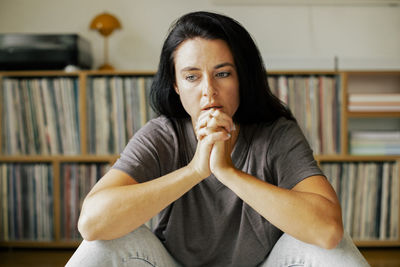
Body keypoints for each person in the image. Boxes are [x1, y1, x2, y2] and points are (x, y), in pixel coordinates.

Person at [67, 11, 369, 267]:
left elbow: (329, 230)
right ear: (175, 84)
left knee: (330, 245)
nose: (208, 91)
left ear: (242, 78)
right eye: (191, 76)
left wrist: (227, 171)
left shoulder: (276, 133)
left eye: (222, 74)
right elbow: (91, 223)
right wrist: (196, 170)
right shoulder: (163, 134)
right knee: (102, 243)